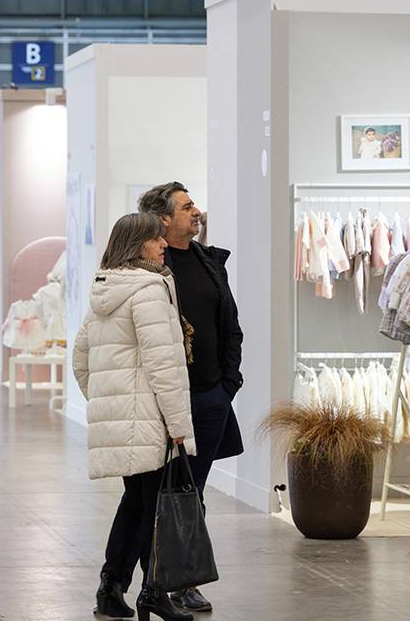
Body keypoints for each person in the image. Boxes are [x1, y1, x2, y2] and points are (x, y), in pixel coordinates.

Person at [73, 212, 196, 621]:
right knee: (152, 508)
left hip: (128, 418)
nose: (164, 245)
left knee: (136, 503)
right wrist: (178, 427)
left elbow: (80, 360)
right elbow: (164, 367)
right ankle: (153, 592)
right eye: (156, 239)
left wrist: (109, 400)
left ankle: (111, 587)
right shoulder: (148, 291)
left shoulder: (106, 288)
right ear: (138, 244)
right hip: (148, 420)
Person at [137, 182, 242, 615]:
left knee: (192, 491)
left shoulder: (209, 261)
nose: (196, 211)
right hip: (164, 401)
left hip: (211, 395)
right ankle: (145, 582)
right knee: (157, 495)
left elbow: (230, 324)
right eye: (186, 206)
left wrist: (228, 384)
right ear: (164, 218)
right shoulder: (149, 267)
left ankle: (181, 582)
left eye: (194, 203)